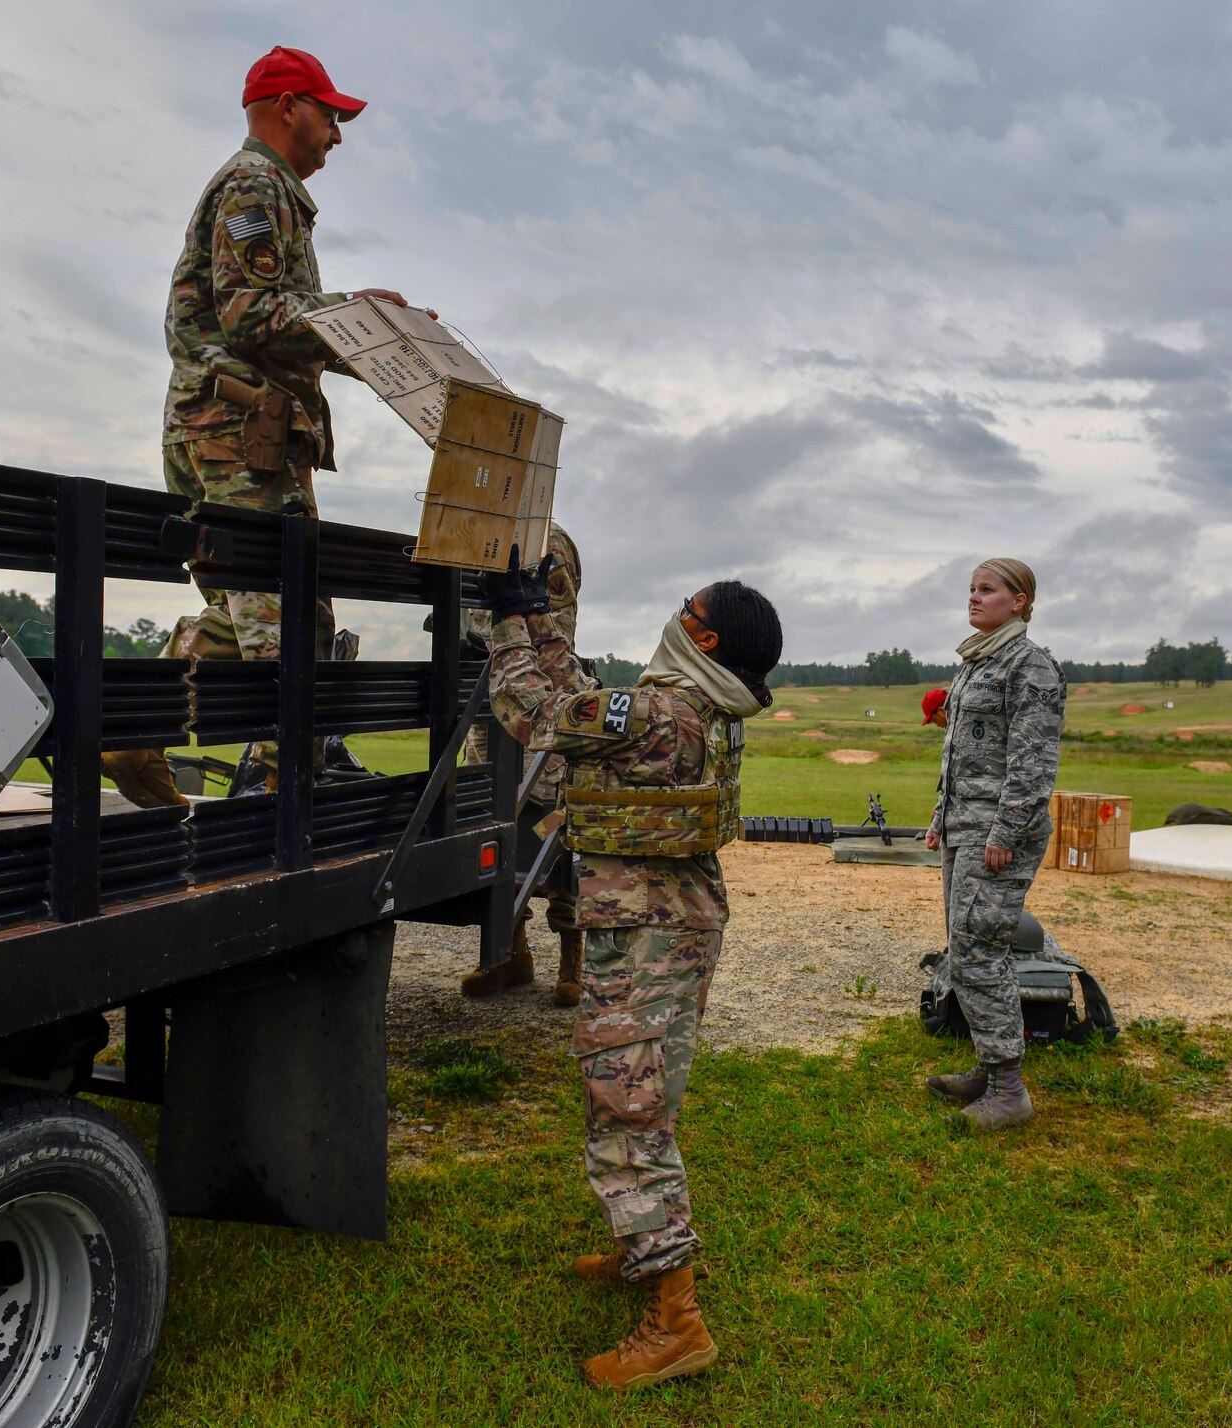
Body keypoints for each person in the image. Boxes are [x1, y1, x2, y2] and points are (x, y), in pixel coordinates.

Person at [480, 553, 782, 1392]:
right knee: (650, 1094)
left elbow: (533, 707)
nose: (674, 610)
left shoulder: (653, 715)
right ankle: (641, 1251)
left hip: (643, 933)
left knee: (626, 1111)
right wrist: (540, 614)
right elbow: (580, 688)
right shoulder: (700, 708)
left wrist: (504, 619)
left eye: (687, 606)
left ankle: (675, 1322)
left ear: (704, 635)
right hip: (678, 922)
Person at [103, 46, 431, 806]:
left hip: (237, 430)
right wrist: (356, 319)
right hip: (237, 431)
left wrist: (373, 339)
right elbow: (253, 315)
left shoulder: (270, 190)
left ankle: (134, 724)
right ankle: (290, 796)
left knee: (260, 613)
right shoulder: (257, 183)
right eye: (331, 115)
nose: (338, 135)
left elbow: (271, 320)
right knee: (289, 624)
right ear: (288, 107)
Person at [921, 559, 1066, 1131]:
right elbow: (959, 755)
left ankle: (1010, 1090)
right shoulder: (977, 661)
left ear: (1021, 600)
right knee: (965, 945)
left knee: (980, 948)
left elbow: (1032, 765)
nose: (975, 598)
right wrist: (940, 816)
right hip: (965, 827)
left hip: (999, 836)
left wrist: (1006, 833)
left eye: (988, 590)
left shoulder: (1031, 667)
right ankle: (988, 1066)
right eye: (972, 589)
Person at [459, 520, 591, 1004]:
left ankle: (571, 963)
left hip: (534, 692)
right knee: (492, 826)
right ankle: (508, 953)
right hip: (484, 697)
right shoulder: (463, 529)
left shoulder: (543, 540)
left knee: (553, 829)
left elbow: (553, 631)